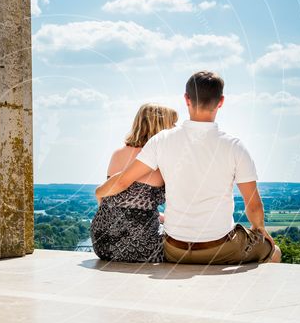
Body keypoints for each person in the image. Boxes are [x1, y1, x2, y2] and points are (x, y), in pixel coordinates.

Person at [95, 71, 282, 265]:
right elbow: (253, 205)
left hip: (174, 249)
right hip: (220, 248)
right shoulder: (235, 146)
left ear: (187, 99)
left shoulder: (161, 140)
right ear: (221, 101)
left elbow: (123, 180)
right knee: (273, 251)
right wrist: (260, 230)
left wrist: (99, 191)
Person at [90, 103, 178, 262]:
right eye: (173, 124)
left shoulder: (118, 153)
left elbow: (117, 203)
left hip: (102, 243)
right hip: (140, 245)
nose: (176, 128)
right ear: (161, 126)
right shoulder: (159, 161)